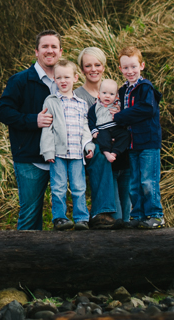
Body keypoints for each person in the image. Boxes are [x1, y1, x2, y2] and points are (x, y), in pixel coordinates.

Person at [0, 30, 62, 230]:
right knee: (29, 217)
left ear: (60, 51)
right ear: (36, 51)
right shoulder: (20, 80)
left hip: (62, 158)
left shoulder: (66, 80)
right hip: (30, 158)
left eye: (53, 47)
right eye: (45, 47)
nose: (49, 51)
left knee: (66, 217)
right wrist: (35, 120)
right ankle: (21, 259)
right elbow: (3, 112)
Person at [113, 46, 165, 229]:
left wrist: (120, 116)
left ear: (141, 66)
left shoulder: (145, 88)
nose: (130, 71)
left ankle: (155, 215)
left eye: (133, 66)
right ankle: (138, 216)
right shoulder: (122, 91)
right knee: (134, 182)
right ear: (120, 69)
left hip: (148, 142)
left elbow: (146, 109)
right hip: (132, 144)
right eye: (125, 68)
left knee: (148, 181)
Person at [39, 59, 94, 231]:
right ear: (54, 79)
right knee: (58, 187)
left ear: (75, 78)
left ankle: (81, 219)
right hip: (58, 154)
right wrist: (48, 151)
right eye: (59, 77)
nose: (63, 81)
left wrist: (89, 145)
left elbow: (85, 128)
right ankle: (60, 218)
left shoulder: (81, 104)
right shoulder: (51, 101)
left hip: (77, 154)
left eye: (67, 77)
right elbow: (47, 129)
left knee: (79, 187)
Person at [74, 47, 120, 229]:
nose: (93, 69)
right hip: (88, 147)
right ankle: (101, 212)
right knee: (101, 150)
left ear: (103, 66)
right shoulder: (77, 95)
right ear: (82, 69)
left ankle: (135, 213)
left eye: (97, 65)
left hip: (115, 143)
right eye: (88, 65)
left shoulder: (114, 92)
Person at [87, 78, 132, 224]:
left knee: (125, 135)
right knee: (102, 136)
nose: (107, 96)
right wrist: (94, 132)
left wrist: (121, 114)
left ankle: (126, 221)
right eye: (104, 93)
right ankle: (107, 152)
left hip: (122, 156)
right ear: (99, 94)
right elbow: (90, 121)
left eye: (111, 94)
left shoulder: (119, 106)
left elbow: (127, 123)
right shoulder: (95, 107)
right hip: (104, 136)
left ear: (116, 96)